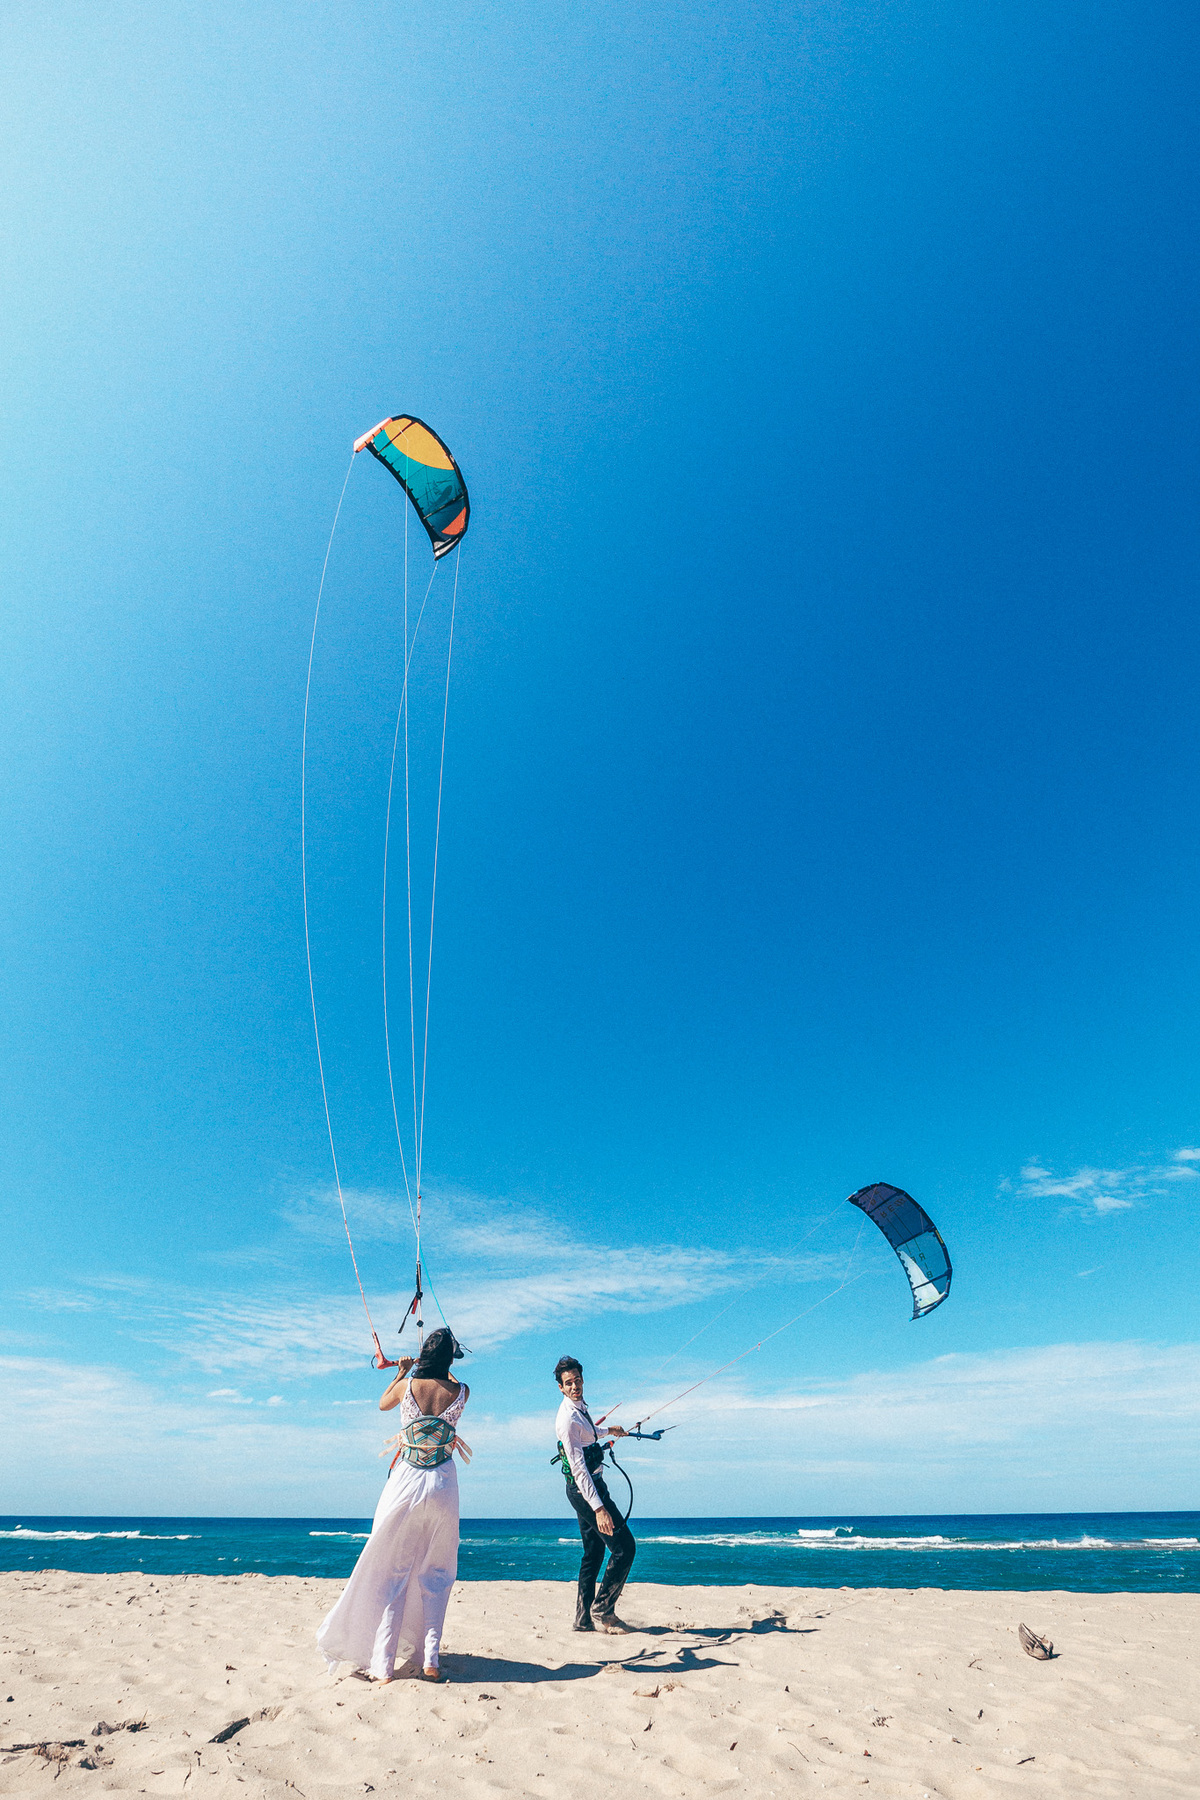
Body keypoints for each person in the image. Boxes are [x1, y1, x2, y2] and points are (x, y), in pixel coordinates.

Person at [317, 1327, 470, 1683]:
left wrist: (403, 1370)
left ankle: (383, 1666)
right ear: (449, 1359)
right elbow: (452, 1379)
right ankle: (431, 1660)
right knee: (437, 1573)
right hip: (444, 1485)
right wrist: (437, 1364)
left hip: (407, 1482)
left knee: (393, 1573)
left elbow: (383, 1402)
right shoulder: (461, 1391)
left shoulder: (408, 1386)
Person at [553, 1354, 636, 1633]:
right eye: (568, 1383)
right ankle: (603, 1608)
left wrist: (607, 1431)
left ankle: (582, 1619)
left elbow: (586, 1434)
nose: (574, 1386)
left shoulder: (578, 1409)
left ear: (582, 1380)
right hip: (586, 1490)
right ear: (561, 1388)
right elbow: (578, 1468)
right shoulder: (566, 1418)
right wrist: (599, 1508)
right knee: (624, 1548)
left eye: (577, 1380)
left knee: (593, 1552)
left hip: (584, 1489)